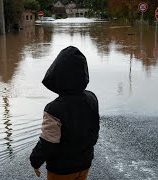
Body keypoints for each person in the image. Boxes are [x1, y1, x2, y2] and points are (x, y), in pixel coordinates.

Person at [30, 46, 100, 180]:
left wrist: (35, 160)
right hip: (85, 164)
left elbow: (48, 143)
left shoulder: (53, 109)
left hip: (61, 170)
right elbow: (94, 130)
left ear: (58, 75)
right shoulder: (92, 98)